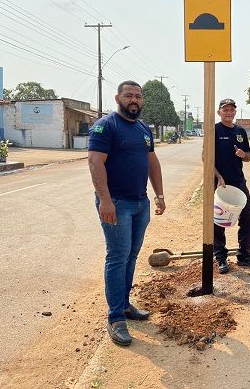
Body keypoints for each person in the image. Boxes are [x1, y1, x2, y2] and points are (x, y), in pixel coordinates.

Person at [88, 80, 166, 346]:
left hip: (140, 203)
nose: (134, 100)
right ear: (117, 98)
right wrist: (105, 201)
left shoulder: (144, 129)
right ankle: (115, 318)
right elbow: (95, 162)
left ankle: (124, 304)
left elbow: (151, 162)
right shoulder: (106, 126)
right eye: (129, 95)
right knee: (118, 256)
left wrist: (160, 195)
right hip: (116, 203)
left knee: (131, 255)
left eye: (138, 96)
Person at [213, 98, 250, 274]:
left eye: (231, 109)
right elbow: (206, 158)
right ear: (219, 112)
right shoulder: (215, 130)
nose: (228, 112)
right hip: (219, 182)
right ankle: (220, 258)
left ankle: (244, 255)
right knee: (219, 220)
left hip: (239, 181)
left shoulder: (240, 131)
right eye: (225, 109)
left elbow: (248, 156)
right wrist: (218, 177)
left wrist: (243, 154)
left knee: (248, 216)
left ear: (235, 112)